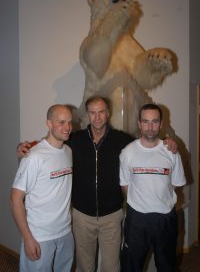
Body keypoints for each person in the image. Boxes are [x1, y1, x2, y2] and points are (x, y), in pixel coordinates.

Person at [16, 96, 178, 272]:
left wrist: (167, 141)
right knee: (85, 267)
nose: (97, 117)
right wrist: (27, 145)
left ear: (108, 114)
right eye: (93, 113)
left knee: (111, 267)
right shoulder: (73, 139)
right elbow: (50, 145)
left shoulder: (123, 140)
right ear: (87, 115)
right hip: (82, 217)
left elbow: (147, 144)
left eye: (101, 112)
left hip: (112, 217)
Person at [120, 103, 186, 272]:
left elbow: (176, 184)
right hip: (137, 219)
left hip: (165, 220)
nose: (150, 127)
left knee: (167, 266)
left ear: (161, 124)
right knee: (131, 267)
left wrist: (159, 201)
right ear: (139, 123)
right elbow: (125, 185)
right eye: (146, 121)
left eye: (155, 121)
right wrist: (142, 203)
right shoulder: (127, 152)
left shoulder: (171, 151)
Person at [10, 104, 74, 272]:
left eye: (69, 122)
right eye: (61, 122)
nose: (67, 127)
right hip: (39, 236)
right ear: (49, 124)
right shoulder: (34, 156)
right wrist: (28, 238)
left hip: (65, 232)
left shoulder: (68, 151)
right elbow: (15, 199)